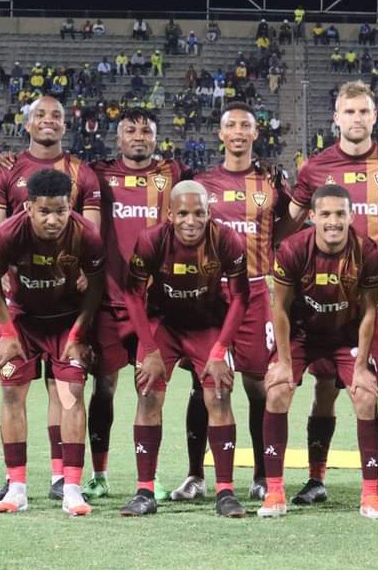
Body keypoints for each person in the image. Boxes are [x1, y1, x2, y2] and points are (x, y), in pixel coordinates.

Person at [282, 80, 378, 507]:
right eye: (349, 112)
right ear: (336, 118)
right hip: (325, 301)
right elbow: (289, 225)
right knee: (324, 385)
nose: (357, 119)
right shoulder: (313, 169)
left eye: (364, 112)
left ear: (374, 116)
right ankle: (316, 478)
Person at [0, 95, 102, 505]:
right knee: (12, 393)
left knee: (67, 392)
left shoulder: (82, 182)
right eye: (40, 114)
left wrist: (80, 332)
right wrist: (5, 329)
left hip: (67, 310)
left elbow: (95, 270)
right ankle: (16, 484)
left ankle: (65, 482)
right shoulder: (7, 182)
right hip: (22, 312)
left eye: (56, 114)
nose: (53, 218)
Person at [175, 102, 290, 503]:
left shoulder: (272, 183)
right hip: (210, 291)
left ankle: (261, 473)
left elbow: (288, 224)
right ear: (220, 134)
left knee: (259, 385)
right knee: (202, 384)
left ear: (256, 134)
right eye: (231, 125)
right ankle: (195, 475)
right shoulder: (201, 182)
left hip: (256, 290)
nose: (238, 131)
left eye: (246, 125)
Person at [120, 180, 251, 518]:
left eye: (199, 213)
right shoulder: (151, 241)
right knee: (148, 394)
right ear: (169, 215)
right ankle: (145, 491)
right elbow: (132, 294)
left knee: (219, 395)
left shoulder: (226, 239)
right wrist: (148, 350)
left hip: (207, 324)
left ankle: (225, 491)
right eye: (183, 214)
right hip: (164, 324)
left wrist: (221, 349)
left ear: (209, 213)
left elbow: (240, 297)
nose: (191, 221)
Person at [257, 184, 378, 519]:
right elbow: (280, 308)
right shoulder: (291, 250)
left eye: (340, 214)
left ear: (351, 216)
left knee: (365, 395)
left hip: (346, 334)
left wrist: (360, 366)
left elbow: (371, 311)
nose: (333, 221)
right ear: (312, 216)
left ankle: (371, 495)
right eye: (326, 214)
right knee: (277, 391)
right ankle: (274, 492)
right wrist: (285, 362)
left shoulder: (368, 252)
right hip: (302, 334)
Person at [82, 108, 190, 501]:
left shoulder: (173, 174)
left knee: (151, 392)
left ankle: (152, 475)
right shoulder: (96, 175)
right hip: (110, 304)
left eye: (147, 130)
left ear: (156, 137)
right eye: (131, 129)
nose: (139, 135)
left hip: (158, 307)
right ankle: (100, 473)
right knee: (103, 388)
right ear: (118, 137)